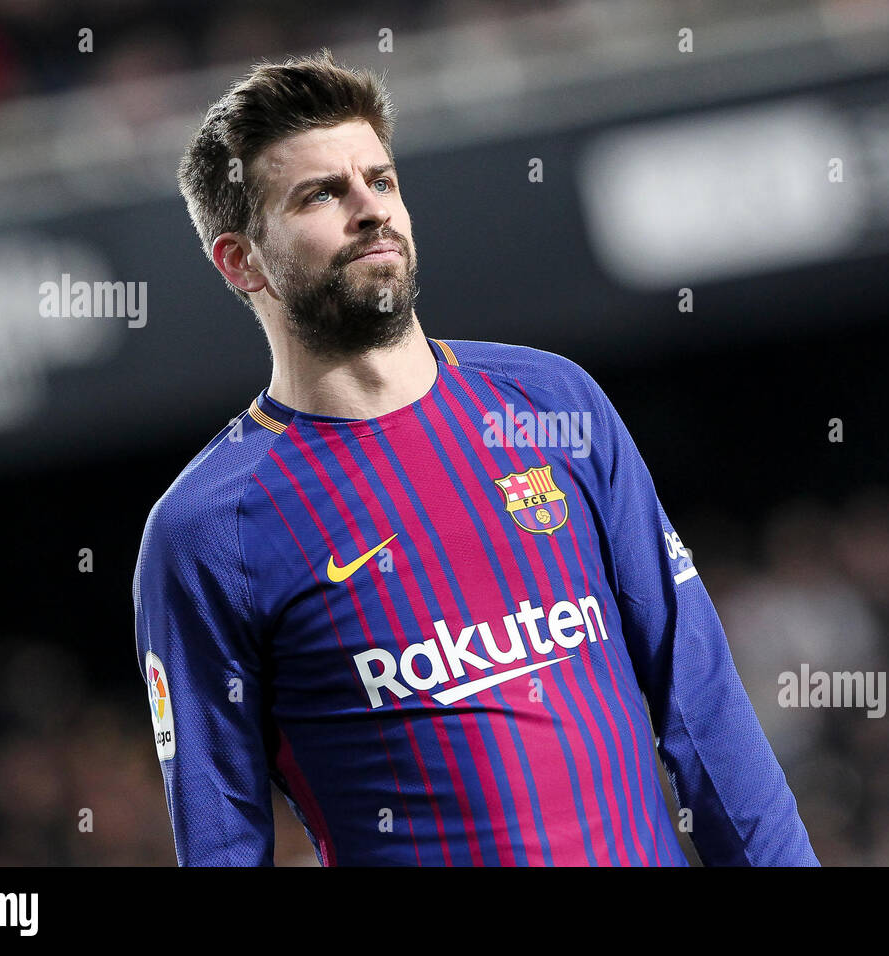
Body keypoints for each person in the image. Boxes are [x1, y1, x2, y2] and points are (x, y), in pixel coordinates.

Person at [132, 49, 818, 866]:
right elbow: (220, 844)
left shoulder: (552, 403)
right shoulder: (207, 531)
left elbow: (701, 703)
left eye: (381, 181)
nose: (369, 210)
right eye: (322, 194)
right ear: (240, 261)